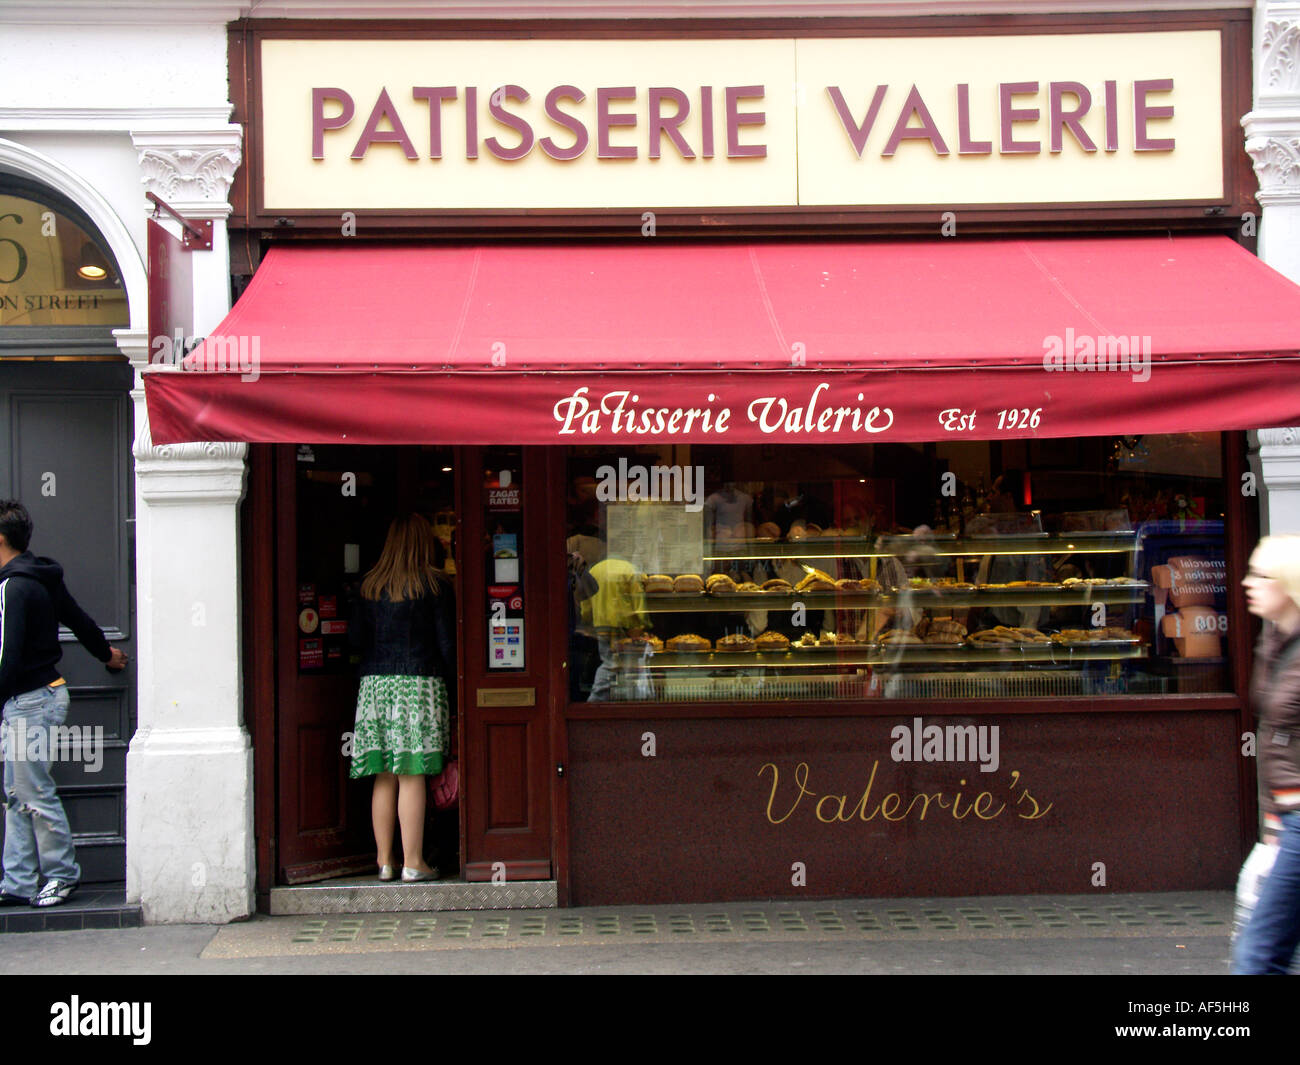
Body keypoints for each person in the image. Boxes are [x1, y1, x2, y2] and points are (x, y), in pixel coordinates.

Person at [0, 500, 127, 907]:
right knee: (18, 792)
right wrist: (106, 654)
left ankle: (61, 875)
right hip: (41, 698)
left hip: (29, 703)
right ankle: (17, 881)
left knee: (32, 791)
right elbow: (79, 619)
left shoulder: (11, 586)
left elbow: (8, 655)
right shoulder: (39, 577)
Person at [349, 514, 456, 883]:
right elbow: (446, 646)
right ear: (423, 543)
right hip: (420, 684)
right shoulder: (435, 586)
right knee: (412, 775)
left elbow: (355, 642)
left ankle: (384, 862)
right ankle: (413, 862)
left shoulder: (368, 586)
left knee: (383, 775)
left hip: (375, 686)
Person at [1234, 534, 1300, 973]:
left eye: (1260, 575)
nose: (1246, 583)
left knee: (1258, 954)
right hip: (1287, 820)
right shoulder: (1273, 641)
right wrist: (1274, 820)